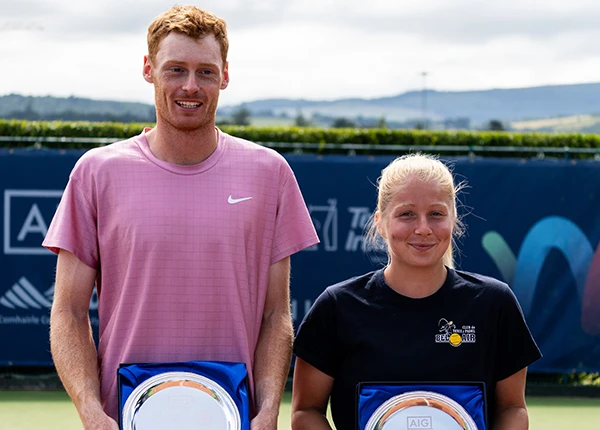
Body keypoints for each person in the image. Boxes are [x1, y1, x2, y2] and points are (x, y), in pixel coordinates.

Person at [43, 5, 318, 429]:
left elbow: (274, 315)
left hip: (233, 417)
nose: (191, 86)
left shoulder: (270, 173)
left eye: (205, 72)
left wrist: (267, 411)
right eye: (175, 70)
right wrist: (91, 412)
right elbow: (69, 313)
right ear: (148, 70)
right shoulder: (96, 172)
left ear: (225, 75)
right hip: (125, 418)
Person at [292, 153, 541, 430]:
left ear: (454, 220)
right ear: (381, 223)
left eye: (436, 214)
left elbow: (513, 408)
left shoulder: (495, 303)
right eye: (406, 214)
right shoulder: (336, 306)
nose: (423, 229)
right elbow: (306, 411)